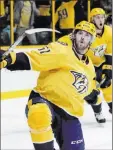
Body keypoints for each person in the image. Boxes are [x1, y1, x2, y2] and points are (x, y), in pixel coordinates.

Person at [0, 21, 101, 150]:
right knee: (39, 115)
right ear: (74, 35)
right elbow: (35, 57)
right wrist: (10, 59)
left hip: (69, 112)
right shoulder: (61, 49)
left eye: (87, 35)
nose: (82, 37)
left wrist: (92, 95)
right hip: (45, 99)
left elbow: (86, 88)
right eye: (80, 33)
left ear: (91, 41)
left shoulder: (89, 67)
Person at [86, 8, 112, 123]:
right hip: (86, 65)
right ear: (92, 19)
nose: (100, 19)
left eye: (102, 17)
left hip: (100, 63)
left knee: (107, 85)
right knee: (92, 92)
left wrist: (108, 68)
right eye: (97, 17)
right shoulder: (86, 32)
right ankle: (98, 112)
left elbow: (109, 52)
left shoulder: (109, 31)